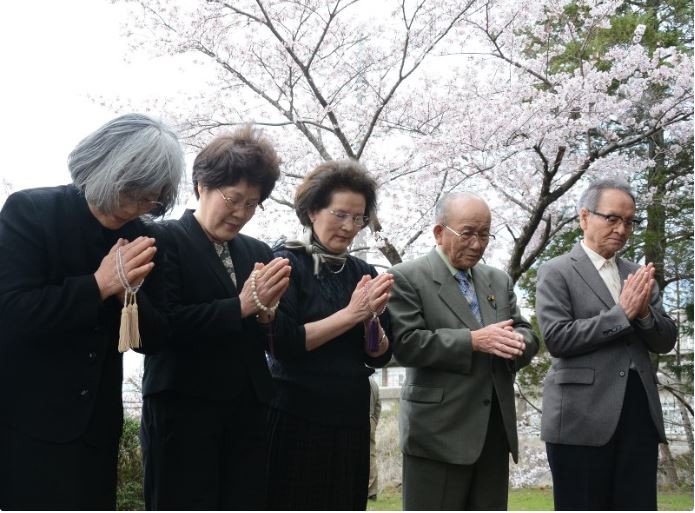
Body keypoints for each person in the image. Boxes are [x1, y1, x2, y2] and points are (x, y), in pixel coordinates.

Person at [0, 113, 184, 510]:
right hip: (23, 422)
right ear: (103, 165)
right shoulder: (31, 212)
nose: (136, 207)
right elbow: (11, 314)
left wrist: (126, 295)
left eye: (149, 199)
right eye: (130, 192)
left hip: (96, 429)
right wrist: (99, 286)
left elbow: (156, 338)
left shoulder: (144, 236)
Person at [140, 126, 291, 510]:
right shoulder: (162, 239)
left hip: (247, 408)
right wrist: (240, 306)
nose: (241, 213)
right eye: (233, 198)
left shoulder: (257, 250)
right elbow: (163, 324)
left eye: (252, 204)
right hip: (183, 406)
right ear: (201, 186)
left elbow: (270, 330)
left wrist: (267, 315)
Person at [388, 191, 539, 510]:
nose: (477, 243)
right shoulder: (407, 277)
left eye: (485, 234)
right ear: (439, 232)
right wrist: (472, 341)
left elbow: (525, 331)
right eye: (468, 233)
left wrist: (518, 344)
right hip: (437, 433)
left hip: (492, 432)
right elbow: (405, 344)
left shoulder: (497, 280)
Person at [535, 178, 677, 510]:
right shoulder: (556, 271)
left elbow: (665, 339)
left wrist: (643, 315)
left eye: (630, 221)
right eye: (612, 218)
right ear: (584, 217)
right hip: (578, 419)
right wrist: (622, 314)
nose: (622, 228)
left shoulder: (638, 274)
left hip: (639, 415)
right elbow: (557, 338)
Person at [266, 160, 393, 510]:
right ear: (312, 211)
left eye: (359, 218)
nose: (350, 227)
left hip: (350, 416)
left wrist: (372, 324)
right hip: (297, 413)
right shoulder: (286, 262)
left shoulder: (362, 271)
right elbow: (285, 344)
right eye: (340, 215)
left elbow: (379, 355)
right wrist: (352, 314)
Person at [368, 376, 381, 501]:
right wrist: (374, 421)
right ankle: (372, 491)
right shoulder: (374, 383)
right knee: (371, 454)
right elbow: (378, 406)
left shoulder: (358, 379)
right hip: (371, 420)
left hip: (359, 420)